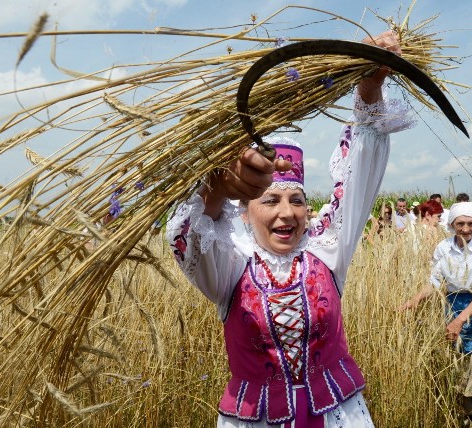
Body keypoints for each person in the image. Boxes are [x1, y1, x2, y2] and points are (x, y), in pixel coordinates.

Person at [166, 31, 415, 427]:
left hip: (338, 415)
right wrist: (216, 183)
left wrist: (370, 87)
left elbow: (358, 181)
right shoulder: (230, 266)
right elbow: (193, 235)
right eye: (270, 200)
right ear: (244, 212)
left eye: (296, 200)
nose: (287, 213)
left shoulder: (327, 251)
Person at [400, 202, 472, 424]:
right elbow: (435, 282)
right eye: (460, 223)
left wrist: (460, 320)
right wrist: (412, 301)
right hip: (452, 304)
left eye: (470, 223)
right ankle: (468, 413)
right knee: (458, 360)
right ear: (452, 224)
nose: (465, 229)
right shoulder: (443, 248)